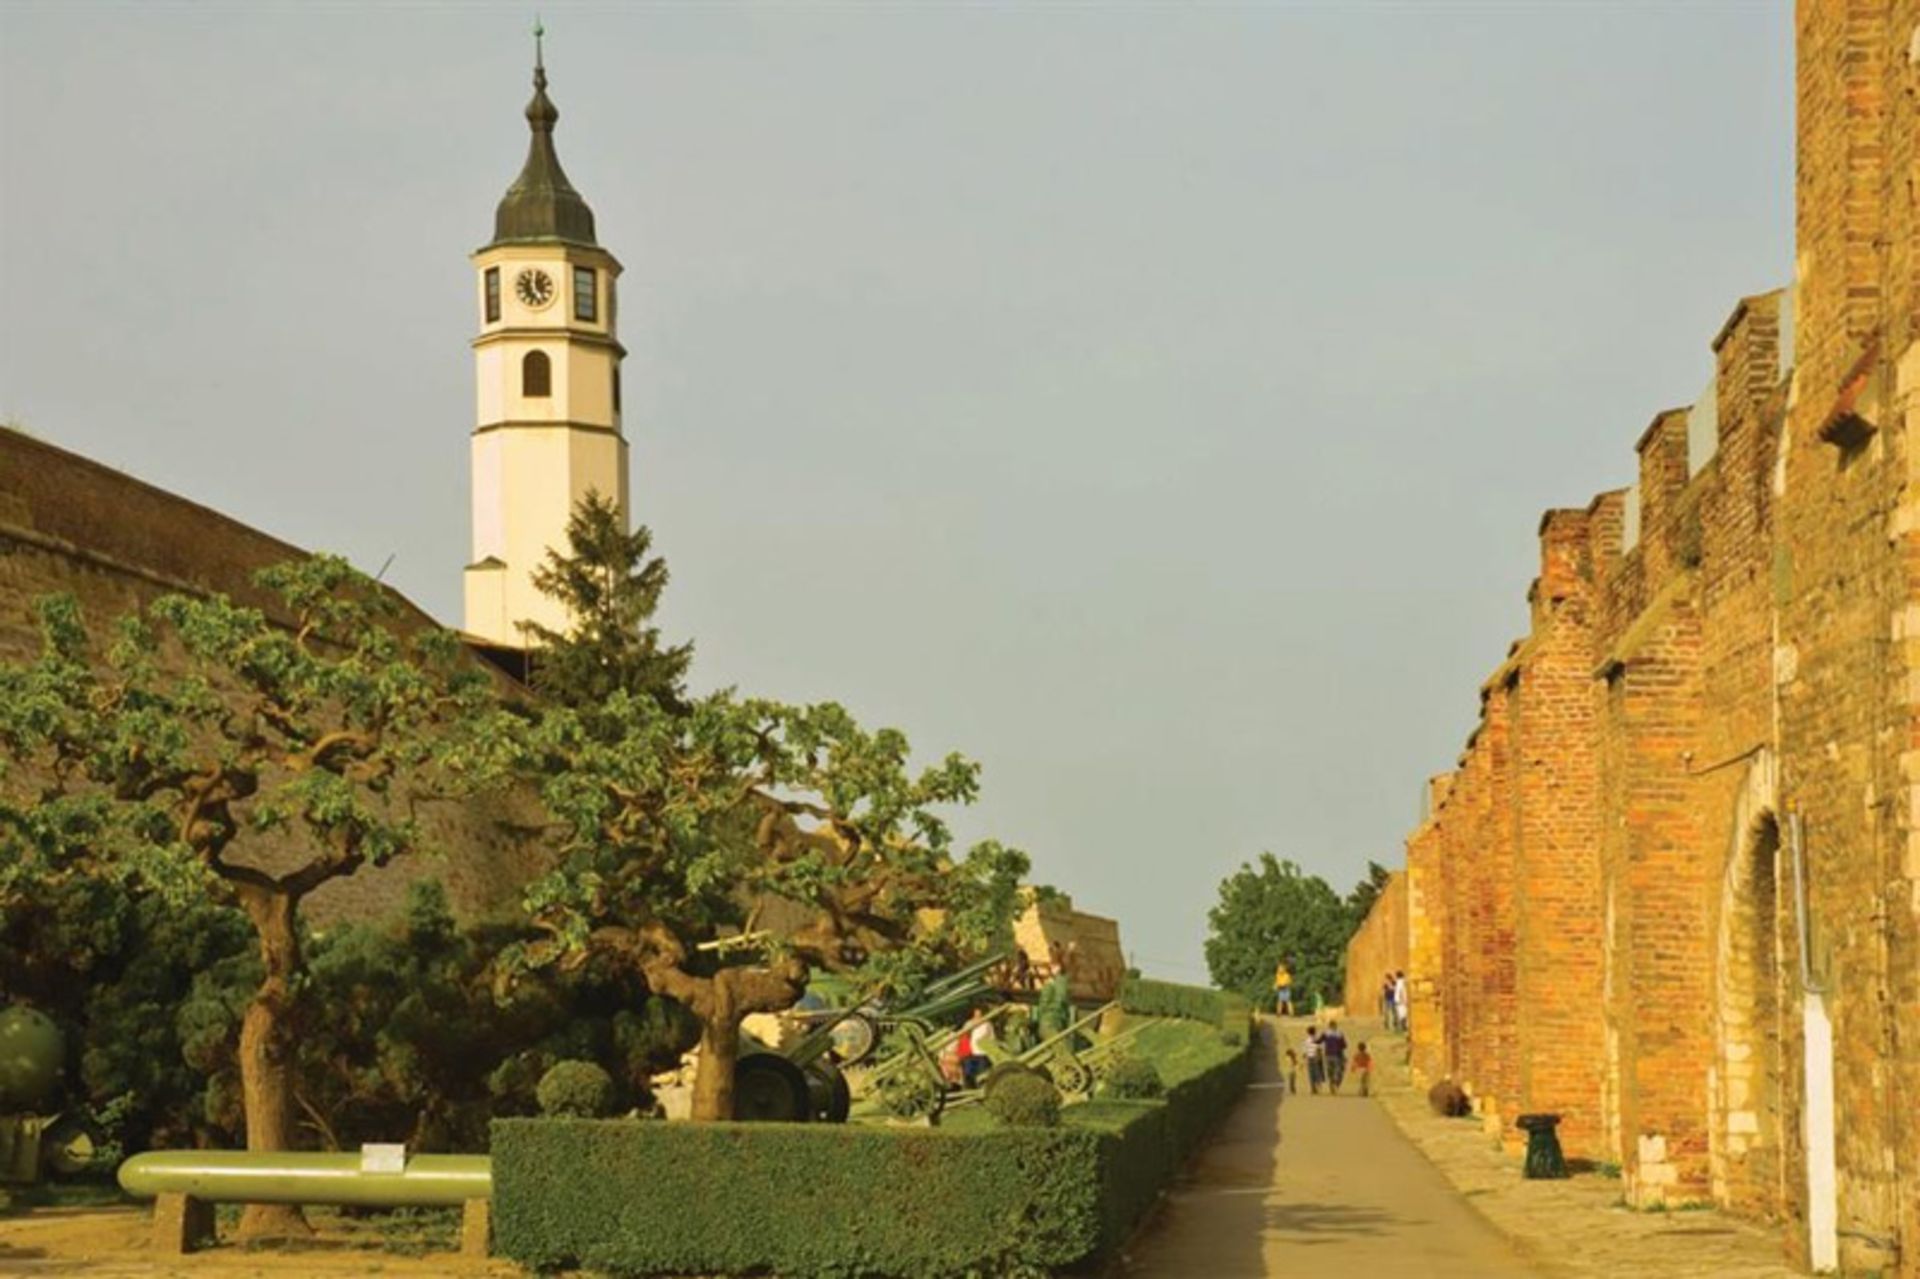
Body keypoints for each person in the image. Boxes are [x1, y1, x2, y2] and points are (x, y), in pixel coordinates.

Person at [1322, 1019, 1349, 1094]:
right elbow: (1344, 1045)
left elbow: (1319, 1041)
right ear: (1335, 1026)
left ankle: (1332, 1084)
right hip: (1337, 1055)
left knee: (1330, 1071)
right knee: (1339, 1071)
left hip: (1328, 1055)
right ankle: (1336, 1084)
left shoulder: (1325, 1033)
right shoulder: (1339, 1034)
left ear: (1329, 1026)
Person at [1303, 1027, 1325, 1095]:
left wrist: (1305, 1057)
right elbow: (1320, 1049)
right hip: (1316, 1057)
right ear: (1314, 1032)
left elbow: (1304, 1051)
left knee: (1311, 1073)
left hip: (1309, 1057)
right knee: (1317, 1072)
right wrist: (1320, 1057)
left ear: (1308, 1032)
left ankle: (1313, 1088)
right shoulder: (1317, 1040)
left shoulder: (1306, 1040)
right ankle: (1318, 1084)